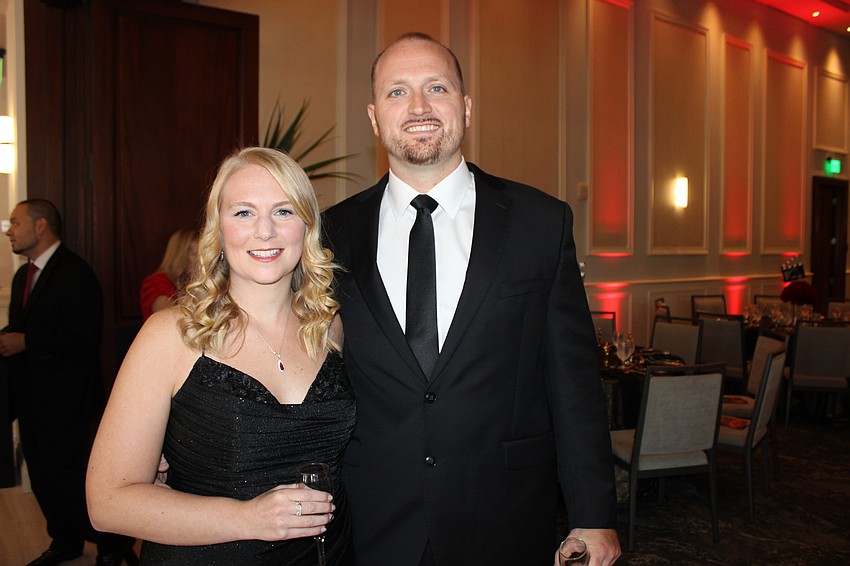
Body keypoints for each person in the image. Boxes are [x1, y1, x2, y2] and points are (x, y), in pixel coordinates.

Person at [322, 33, 621, 566]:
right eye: (397, 92)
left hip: (505, 519)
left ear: (465, 106)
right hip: (373, 522)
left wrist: (593, 513)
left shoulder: (540, 223)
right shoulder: (330, 234)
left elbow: (573, 384)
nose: (417, 107)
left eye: (436, 87)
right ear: (374, 117)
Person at [86, 147, 355, 565]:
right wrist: (247, 518)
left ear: (307, 226)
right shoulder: (172, 336)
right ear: (218, 228)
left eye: (283, 211)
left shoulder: (329, 328)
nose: (264, 231)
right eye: (244, 213)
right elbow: (106, 503)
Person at [0, 198, 134, 566]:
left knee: (67, 473)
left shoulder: (75, 272)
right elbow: (24, 327)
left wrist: (26, 341)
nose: (9, 231)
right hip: (30, 395)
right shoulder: (22, 274)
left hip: (65, 399)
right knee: (41, 473)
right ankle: (65, 541)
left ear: (41, 226)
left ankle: (110, 542)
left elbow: (83, 337)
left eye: (15, 222)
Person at [139, 228, 198, 320]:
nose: (201, 260)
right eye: (196, 254)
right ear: (181, 256)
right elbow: (169, 314)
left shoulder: (191, 281)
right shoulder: (156, 282)